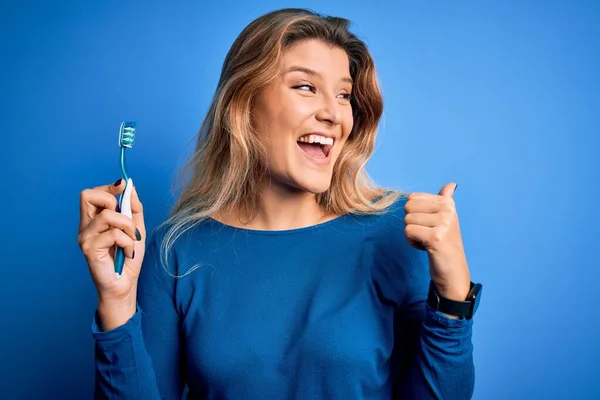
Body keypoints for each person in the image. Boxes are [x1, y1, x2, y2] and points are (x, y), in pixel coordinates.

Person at [78, 8, 482, 400]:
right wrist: (116, 303)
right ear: (244, 105)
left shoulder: (397, 230)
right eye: (306, 87)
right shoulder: (175, 250)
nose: (333, 113)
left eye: (344, 94)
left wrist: (453, 294)